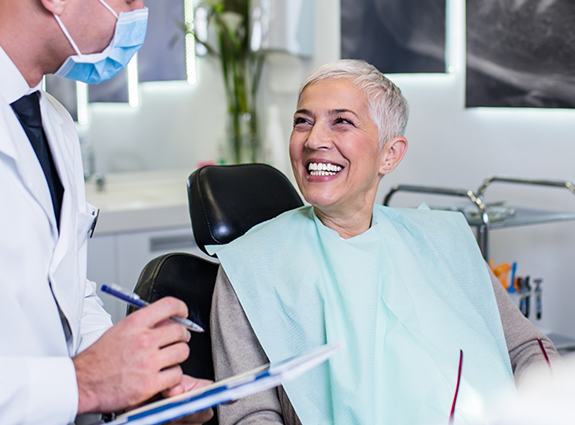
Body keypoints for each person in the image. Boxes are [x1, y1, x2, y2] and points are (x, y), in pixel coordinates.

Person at [210, 59, 562, 424]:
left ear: (390, 154)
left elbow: (527, 347)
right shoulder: (249, 267)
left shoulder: (443, 240)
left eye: (341, 121)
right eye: (303, 121)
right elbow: (250, 415)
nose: (314, 140)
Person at [0, 0, 212, 424]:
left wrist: (143, 385)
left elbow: (66, 295)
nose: (140, 15)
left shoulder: (53, 122)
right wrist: (85, 384)